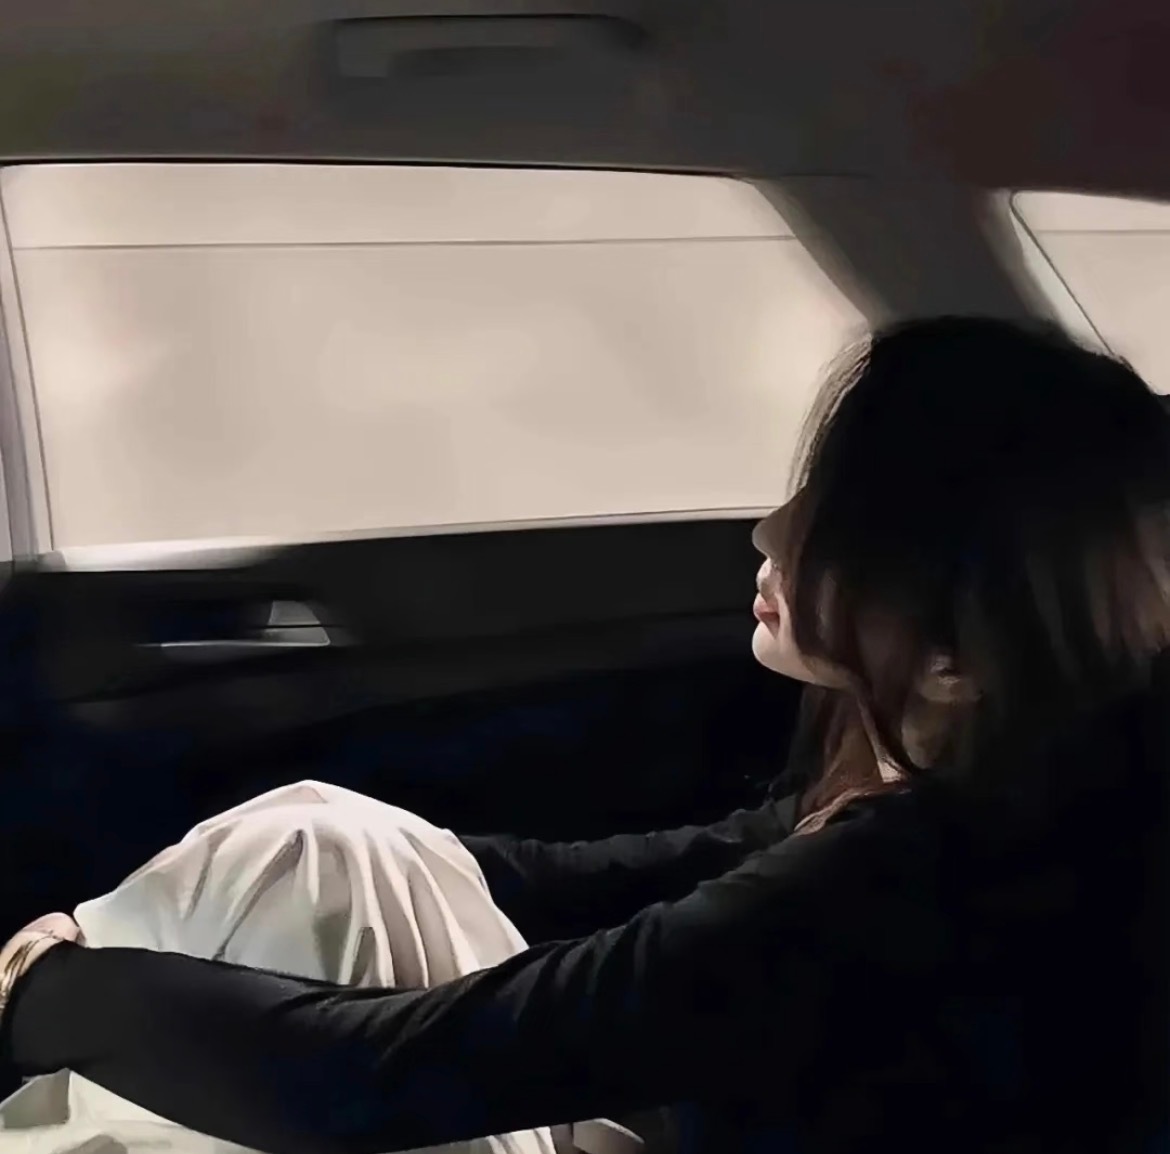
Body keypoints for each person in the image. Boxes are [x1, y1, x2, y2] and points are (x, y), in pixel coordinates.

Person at [1, 316, 1167, 1154]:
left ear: (957, 654)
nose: (771, 529)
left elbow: (377, 1079)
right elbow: (598, 878)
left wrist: (47, 987)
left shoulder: (913, 883)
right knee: (322, 838)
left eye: (838, 525)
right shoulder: (939, 788)